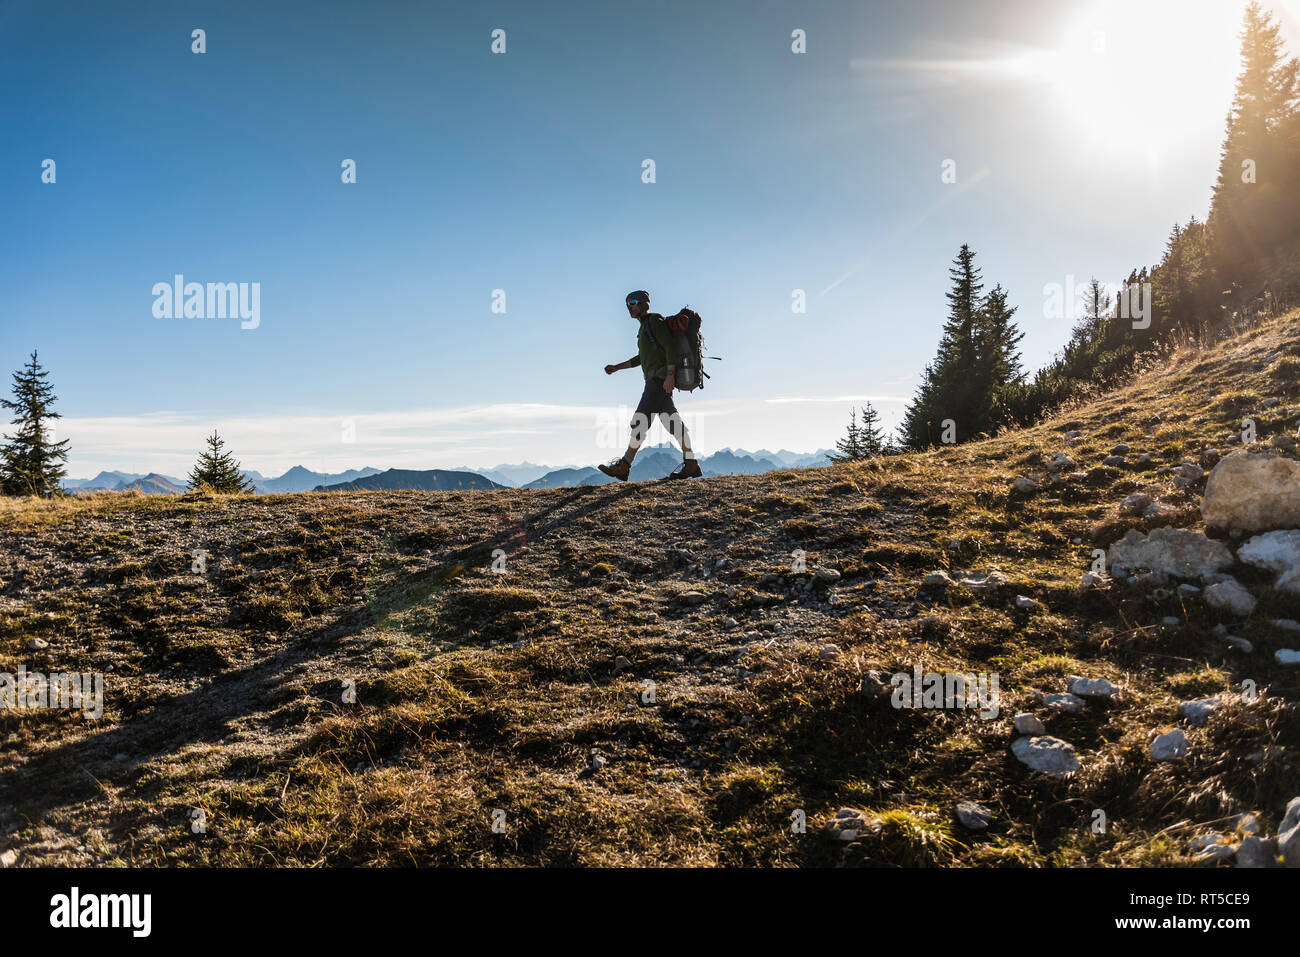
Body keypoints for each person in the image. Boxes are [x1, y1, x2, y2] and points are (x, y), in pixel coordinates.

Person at [598, 290, 702, 481]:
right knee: (674, 423)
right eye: (627, 303)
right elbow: (641, 358)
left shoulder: (655, 321)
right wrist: (617, 367)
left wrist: (670, 375)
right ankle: (691, 463)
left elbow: (670, 346)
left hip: (658, 381)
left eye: (633, 302)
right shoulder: (643, 328)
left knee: (640, 421)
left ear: (644, 304)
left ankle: (624, 465)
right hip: (656, 381)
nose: (629, 306)